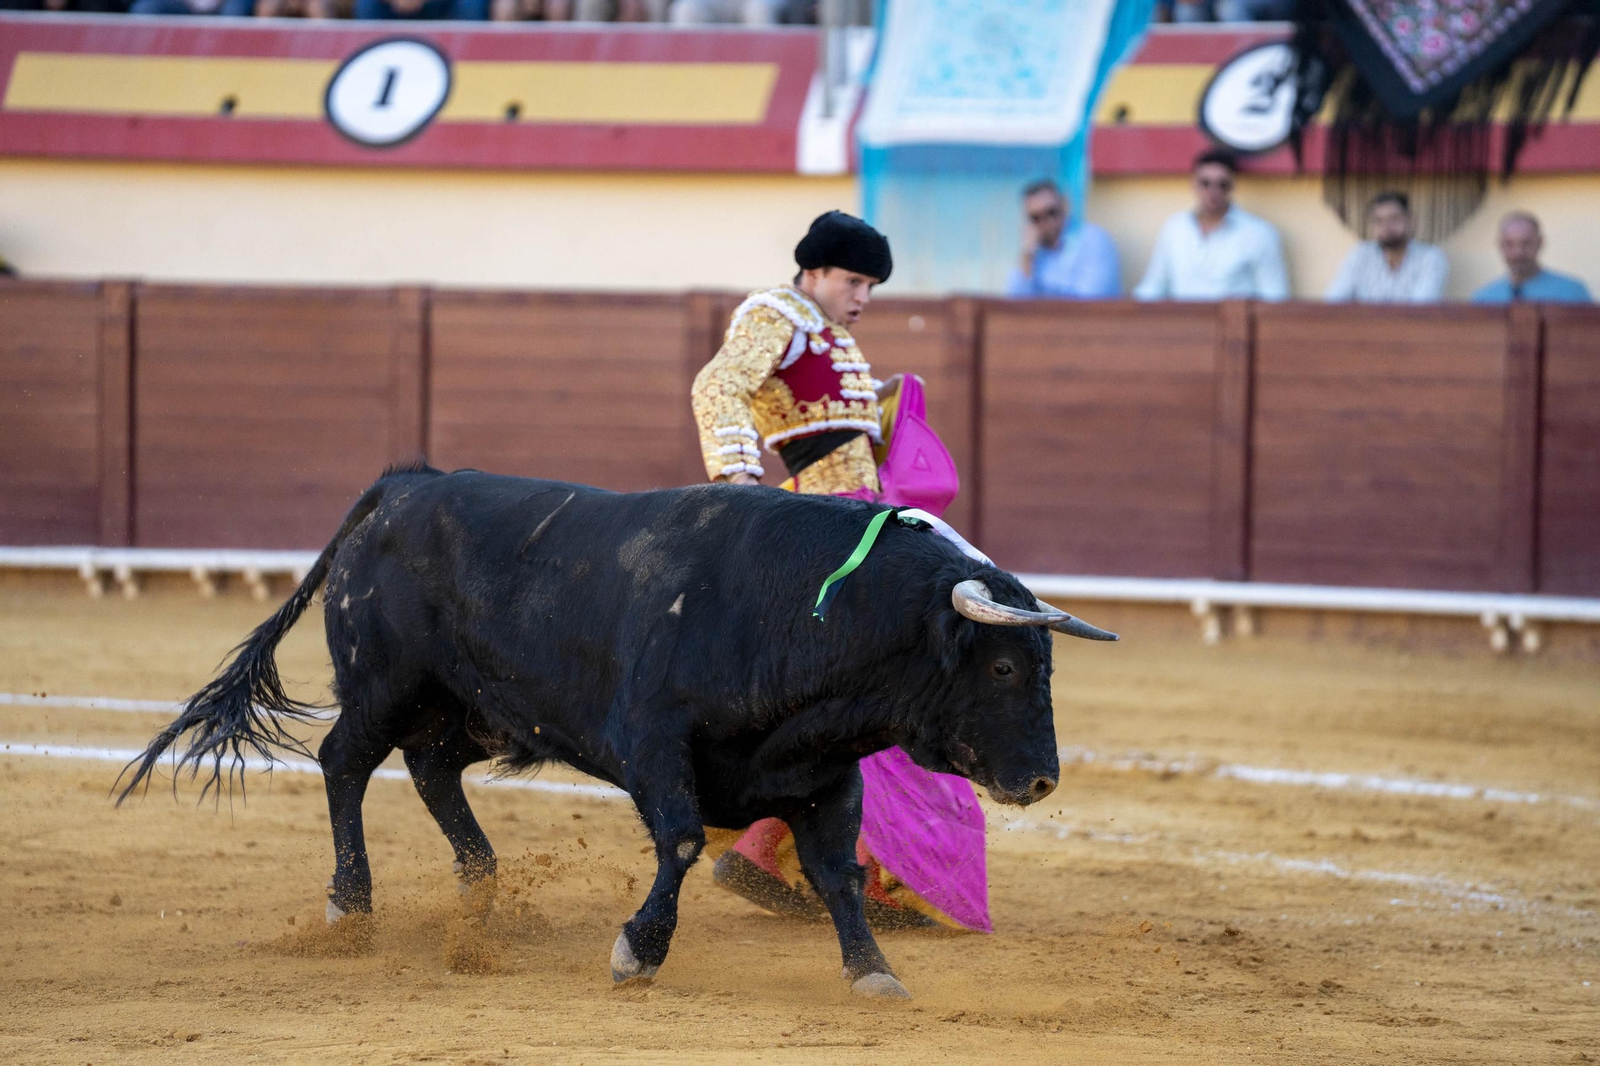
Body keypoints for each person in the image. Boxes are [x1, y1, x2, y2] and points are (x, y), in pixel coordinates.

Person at [690, 211, 992, 934]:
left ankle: (766, 845)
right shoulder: (775, 314)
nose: (863, 296)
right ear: (814, 271)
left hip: (852, 523)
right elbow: (718, 386)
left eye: (871, 285)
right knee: (884, 688)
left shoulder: (824, 333)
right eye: (854, 280)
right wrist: (735, 481)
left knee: (826, 701)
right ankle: (870, 866)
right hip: (824, 532)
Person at [1134, 147, 1290, 301]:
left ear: (1232, 186)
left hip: (1233, 324)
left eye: (1222, 184)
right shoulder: (1175, 228)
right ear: (1193, 184)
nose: (1213, 192)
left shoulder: (1259, 234)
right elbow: (1153, 287)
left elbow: (1275, 298)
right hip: (1182, 324)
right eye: (1205, 183)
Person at [1004, 179, 1122, 300]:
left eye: (1051, 212)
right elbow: (1014, 303)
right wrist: (1027, 256)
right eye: (1036, 218)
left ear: (1064, 205)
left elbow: (1092, 300)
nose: (1045, 222)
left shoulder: (1093, 240)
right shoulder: (1033, 254)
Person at [1325, 191, 1448, 303]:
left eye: (1394, 218)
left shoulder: (1431, 257)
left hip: (1411, 327)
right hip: (1364, 326)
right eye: (1379, 221)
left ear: (1410, 221)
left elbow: (1421, 309)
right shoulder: (1361, 254)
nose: (1386, 227)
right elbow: (1334, 301)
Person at [1471, 212, 1594, 304]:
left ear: (1540, 243)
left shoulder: (1572, 292)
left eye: (1526, 243)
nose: (1518, 252)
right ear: (1500, 245)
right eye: (1509, 244)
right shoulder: (1484, 298)